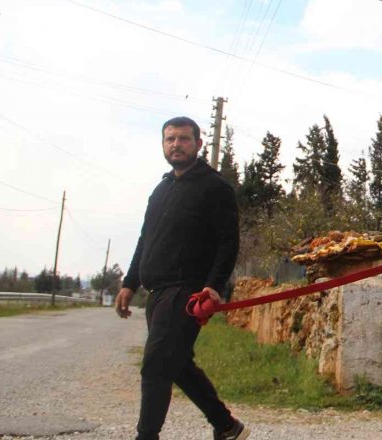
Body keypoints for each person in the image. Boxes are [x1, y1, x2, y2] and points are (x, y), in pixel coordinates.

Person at [114, 116, 249, 440]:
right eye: (170, 139)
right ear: (163, 144)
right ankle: (227, 426)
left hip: (187, 292)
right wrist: (130, 283)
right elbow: (146, 238)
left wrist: (214, 286)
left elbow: (229, 241)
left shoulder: (215, 187)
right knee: (177, 363)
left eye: (184, 139)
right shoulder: (160, 190)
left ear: (198, 144)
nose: (176, 144)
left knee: (157, 364)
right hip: (158, 292)